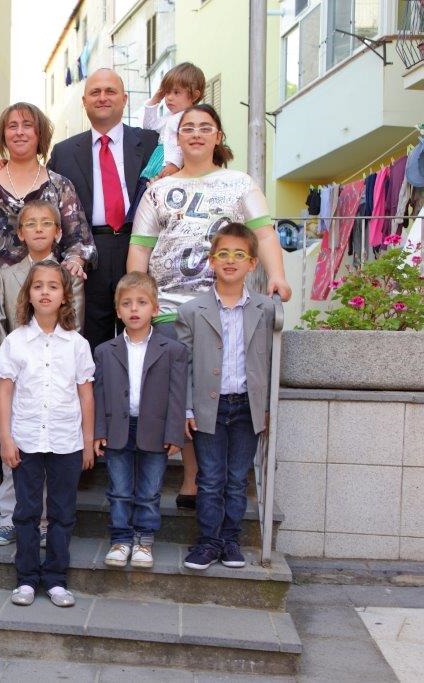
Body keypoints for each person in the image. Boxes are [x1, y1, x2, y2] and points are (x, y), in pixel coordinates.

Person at [126, 104, 291, 510]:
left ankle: (213, 478)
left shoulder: (239, 183)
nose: (196, 134)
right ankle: (192, 475)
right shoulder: (158, 190)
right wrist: (137, 294)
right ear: (177, 139)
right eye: (188, 129)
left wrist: (278, 276)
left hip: (225, 307)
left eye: (205, 127)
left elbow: (265, 235)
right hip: (169, 308)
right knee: (179, 394)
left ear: (218, 136)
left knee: (213, 391)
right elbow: (140, 248)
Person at [0, 101, 96, 497]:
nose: (19, 132)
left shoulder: (60, 184)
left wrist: (71, 264)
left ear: (40, 134)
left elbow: (81, 242)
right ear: (2, 135)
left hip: (47, 298)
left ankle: (60, 460)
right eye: (11, 126)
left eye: (27, 126)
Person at [0, 260, 95, 608]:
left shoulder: (77, 344)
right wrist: (6, 439)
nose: (45, 292)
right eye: (38, 286)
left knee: (62, 511)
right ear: (29, 295)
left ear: (65, 295)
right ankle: (26, 579)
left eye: (53, 286)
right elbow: (5, 392)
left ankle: (55, 579)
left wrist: (87, 442)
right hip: (26, 439)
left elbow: (85, 394)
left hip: (66, 440)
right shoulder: (15, 341)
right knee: (26, 510)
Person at [0, 199, 84, 547]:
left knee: (48, 453)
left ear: (58, 232)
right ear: (20, 232)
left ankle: (42, 524)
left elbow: (76, 321)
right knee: (16, 453)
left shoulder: (69, 274)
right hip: (16, 373)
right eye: (31, 224)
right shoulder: (6, 274)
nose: (39, 229)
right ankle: (9, 519)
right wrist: (9, 369)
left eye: (46, 223)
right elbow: (0, 323)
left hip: (55, 373)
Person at [176, 223, 275, 571]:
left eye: (239, 255)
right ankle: (208, 542)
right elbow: (184, 364)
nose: (230, 261)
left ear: (252, 263)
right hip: (209, 407)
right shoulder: (192, 311)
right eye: (223, 254)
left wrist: (266, 408)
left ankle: (230, 540)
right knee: (211, 476)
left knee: (237, 479)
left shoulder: (266, 310)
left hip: (247, 407)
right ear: (211, 261)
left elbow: (273, 363)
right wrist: (187, 407)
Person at [48, 68, 160, 350]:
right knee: (91, 338)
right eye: (95, 92)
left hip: (139, 245)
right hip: (89, 251)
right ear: (84, 102)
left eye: (110, 91)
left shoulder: (149, 143)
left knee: (139, 333)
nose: (102, 98)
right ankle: (95, 393)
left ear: (124, 99)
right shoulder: (63, 152)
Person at [93, 272, 187, 569]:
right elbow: (99, 394)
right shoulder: (104, 351)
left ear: (155, 309)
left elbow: (177, 396)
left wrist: (174, 432)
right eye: (127, 304)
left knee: (149, 491)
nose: (134, 309)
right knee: (119, 489)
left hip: (155, 430)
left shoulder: (172, 351)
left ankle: (144, 540)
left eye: (142, 303)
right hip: (118, 429)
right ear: (118, 311)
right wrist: (98, 431)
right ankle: (120, 539)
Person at [141, 62, 205, 181]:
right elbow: (148, 126)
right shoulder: (168, 116)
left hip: (171, 164)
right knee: (146, 191)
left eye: (176, 92)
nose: (169, 97)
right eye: (167, 92)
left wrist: (174, 164)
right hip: (157, 159)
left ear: (195, 96)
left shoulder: (191, 119)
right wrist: (155, 99)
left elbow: (186, 144)